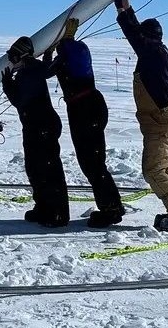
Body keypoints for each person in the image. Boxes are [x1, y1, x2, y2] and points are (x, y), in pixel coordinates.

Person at [109, 0, 168, 232]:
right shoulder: (153, 52)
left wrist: (124, 8)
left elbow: (134, 35)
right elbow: (136, 36)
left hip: (160, 121)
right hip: (159, 120)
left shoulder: (153, 52)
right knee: (165, 168)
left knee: (153, 170)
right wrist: (124, 6)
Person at [42, 18, 124, 227]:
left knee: (92, 162)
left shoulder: (69, 56)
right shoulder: (80, 52)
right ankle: (112, 205)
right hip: (91, 106)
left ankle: (111, 209)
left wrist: (49, 52)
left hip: (83, 110)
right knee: (94, 161)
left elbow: (46, 72)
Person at [2, 35, 70, 227]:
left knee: (48, 169)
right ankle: (43, 207)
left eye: (14, 55)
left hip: (43, 126)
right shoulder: (28, 71)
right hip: (33, 126)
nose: (11, 60)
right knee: (34, 168)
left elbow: (21, 101)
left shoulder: (30, 70)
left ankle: (58, 213)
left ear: (23, 55)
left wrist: (9, 87)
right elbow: (46, 70)